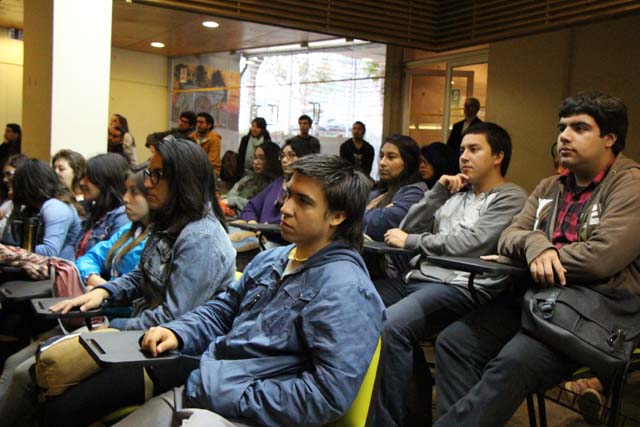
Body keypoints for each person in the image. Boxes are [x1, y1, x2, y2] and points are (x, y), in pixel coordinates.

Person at [110, 154, 384, 427]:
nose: (286, 208)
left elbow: (325, 396)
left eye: (303, 201)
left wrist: (233, 394)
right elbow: (222, 311)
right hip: (205, 387)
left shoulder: (347, 291)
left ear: (337, 216)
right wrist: (178, 332)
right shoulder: (274, 259)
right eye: (289, 195)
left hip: (252, 413)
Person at [434, 92, 640, 427]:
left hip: (593, 312)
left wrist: (541, 256)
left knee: (512, 363)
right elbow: (509, 236)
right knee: (454, 343)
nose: (564, 136)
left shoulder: (631, 185)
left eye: (579, 128)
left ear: (610, 138)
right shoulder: (549, 187)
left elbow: (601, 257)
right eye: (562, 128)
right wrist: (536, 245)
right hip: (537, 298)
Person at [27, 138, 237, 427]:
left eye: (157, 175)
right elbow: (143, 274)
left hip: (168, 357)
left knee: (60, 406)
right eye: (150, 173)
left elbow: (174, 318)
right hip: (137, 340)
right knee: (37, 368)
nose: (148, 183)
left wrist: (112, 327)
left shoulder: (202, 238)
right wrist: (104, 292)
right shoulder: (170, 223)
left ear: (183, 180)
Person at [370, 122, 527, 426]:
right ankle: (409, 408)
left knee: (392, 325)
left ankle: (391, 422)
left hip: (460, 285)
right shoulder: (455, 194)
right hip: (419, 278)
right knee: (355, 303)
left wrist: (413, 242)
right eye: (462, 150)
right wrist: (438, 192)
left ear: (498, 156)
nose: (464, 156)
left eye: (474, 149)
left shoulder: (511, 197)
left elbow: (472, 244)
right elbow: (407, 227)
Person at [0, 167, 152, 417]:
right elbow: (88, 259)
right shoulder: (130, 230)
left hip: (112, 323)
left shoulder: (157, 239)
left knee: (24, 372)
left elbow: (139, 293)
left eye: (134, 192)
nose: (125, 198)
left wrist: (103, 290)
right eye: (126, 191)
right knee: (14, 363)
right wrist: (97, 281)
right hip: (93, 312)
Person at [11, 160, 84, 260]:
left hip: (60, 266)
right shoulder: (35, 209)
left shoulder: (55, 206)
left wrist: (12, 250)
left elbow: (50, 251)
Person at [238, 138, 319, 224]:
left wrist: (264, 228)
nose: (284, 160)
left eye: (291, 155)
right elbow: (251, 207)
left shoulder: (309, 189)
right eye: (282, 156)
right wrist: (252, 222)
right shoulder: (279, 183)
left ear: (304, 158)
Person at [363, 134, 427, 241]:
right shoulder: (379, 191)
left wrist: (364, 211)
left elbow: (380, 225)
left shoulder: (416, 192)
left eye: (391, 157)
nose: (382, 163)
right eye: (381, 156)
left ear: (408, 162)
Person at [76, 153, 130, 257]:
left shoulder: (122, 217)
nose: (82, 183)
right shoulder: (94, 213)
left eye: (88, 178)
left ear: (105, 181)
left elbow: (114, 260)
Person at [222, 141, 282, 214]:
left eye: (262, 158)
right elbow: (229, 197)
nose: (256, 162)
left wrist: (235, 201)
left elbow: (260, 206)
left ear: (272, 160)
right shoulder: (247, 179)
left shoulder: (277, 185)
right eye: (255, 157)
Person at [0, 154, 29, 240]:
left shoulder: (35, 207)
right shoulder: (8, 205)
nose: (5, 179)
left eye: (9, 174)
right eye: (4, 175)